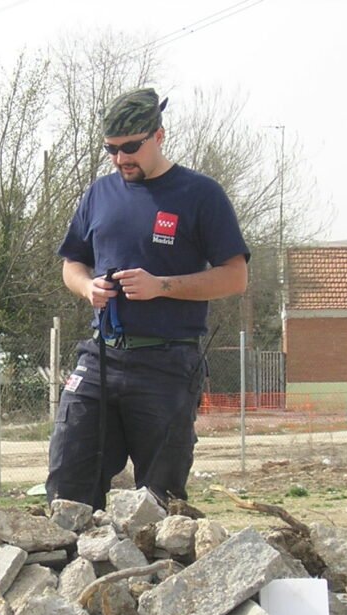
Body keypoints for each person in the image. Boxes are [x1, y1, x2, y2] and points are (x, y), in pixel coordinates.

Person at [46, 87, 250, 512]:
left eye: (131, 148)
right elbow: (72, 265)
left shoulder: (200, 195)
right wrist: (87, 287)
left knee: (159, 503)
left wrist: (162, 286)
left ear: (159, 136)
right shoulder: (98, 195)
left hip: (167, 367)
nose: (121, 160)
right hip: (100, 358)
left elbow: (236, 276)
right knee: (68, 488)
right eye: (112, 150)